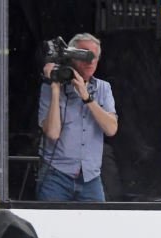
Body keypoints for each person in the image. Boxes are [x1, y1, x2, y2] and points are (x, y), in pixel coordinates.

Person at [38, 32, 118, 202]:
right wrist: (55, 89)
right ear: (71, 58)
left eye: (94, 57)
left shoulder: (103, 88)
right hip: (56, 175)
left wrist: (85, 95)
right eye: (83, 55)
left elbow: (111, 129)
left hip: (90, 177)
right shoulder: (50, 87)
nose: (89, 61)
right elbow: (52, 133)